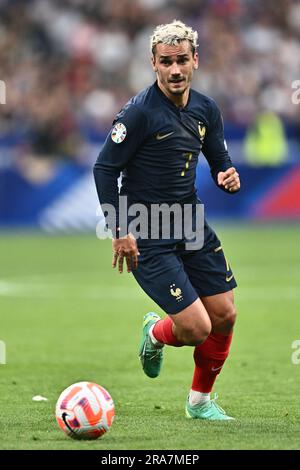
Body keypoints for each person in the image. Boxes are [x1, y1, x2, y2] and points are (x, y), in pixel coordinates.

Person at [93, 20, 240, 420]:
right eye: (166, 62)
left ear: (196, 60)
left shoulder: (206, 108)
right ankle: (154, 334)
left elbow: (219, 161)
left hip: (190, 221)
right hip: (148, 228)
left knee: (225, 314)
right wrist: (119, 231)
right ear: (153, 64)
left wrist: (227, 175)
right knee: (196, 329)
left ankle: (200, 402)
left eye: (181, 61)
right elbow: (104, 169)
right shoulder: (139, 114)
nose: (175, 70)